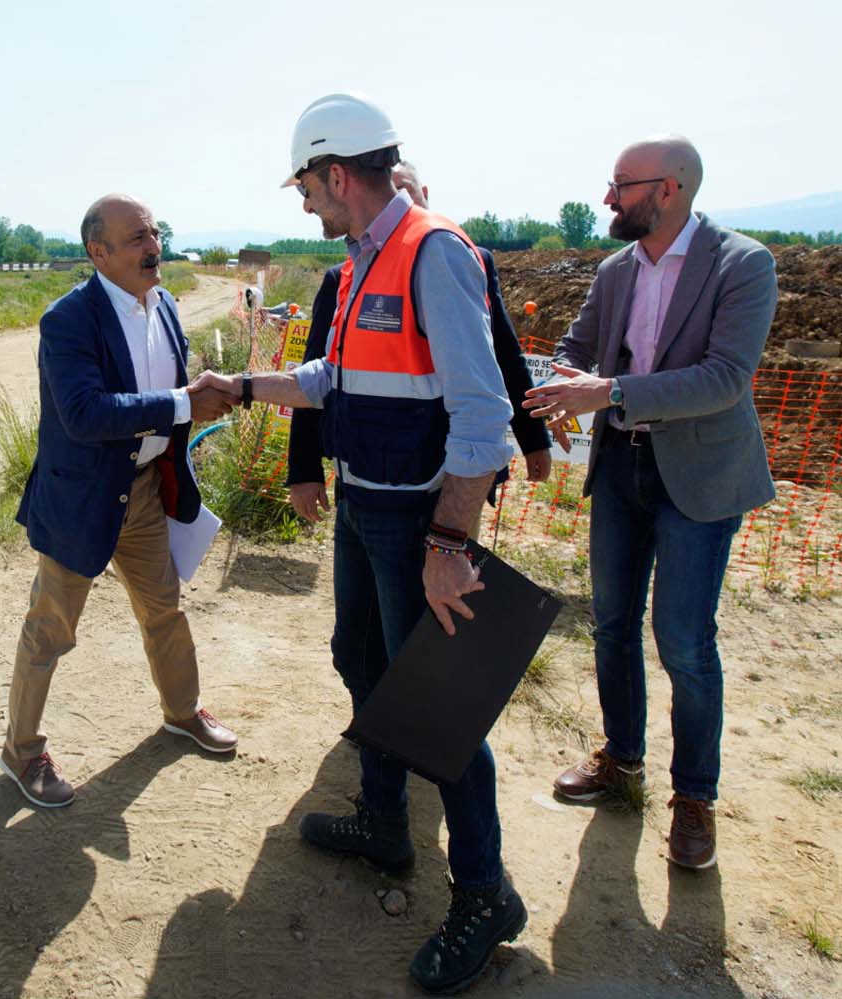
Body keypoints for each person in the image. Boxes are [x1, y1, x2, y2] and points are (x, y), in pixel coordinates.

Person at [195, 93, 523, 994]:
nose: (302, 201)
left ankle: (486, 893)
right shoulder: (364, 260)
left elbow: (486, 414)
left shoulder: (434, 253)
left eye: (305, 183)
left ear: (337, 173)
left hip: (418, 522)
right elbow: (332, 379)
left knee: (441, 712)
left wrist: (450, 537)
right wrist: (246, 384)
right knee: (362, 661)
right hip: (364, 506)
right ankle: (385, 820)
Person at [524, 135, 777, 870]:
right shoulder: (614, 271)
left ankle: (694, 797)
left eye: (620, 185)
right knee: (611, 624)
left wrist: (607, 392)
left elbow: (723, 378)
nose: (607, 197)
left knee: (685, 643)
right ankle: (622, 760)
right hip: (622, 470)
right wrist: (548, 380)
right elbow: (580, 346)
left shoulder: (743, 264)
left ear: (667, 190)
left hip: (697, 478)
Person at [0, 193, 239, 809]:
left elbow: (166, 398)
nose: (152, 246)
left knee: (165, 610)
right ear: (97, 251)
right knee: (49, 630)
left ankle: (181, 712)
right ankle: (21, 752)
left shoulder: (164, 308)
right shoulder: (68, 320)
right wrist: (185, 402)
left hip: (146, 493)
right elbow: (83, 413)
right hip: (83, 499)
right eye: (136, 238)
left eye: (154, 233)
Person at [287, 160, 552, 531]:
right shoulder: (345, 277)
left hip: (455, 475)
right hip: (378, 468)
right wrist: (303, 467)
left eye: (402, 195)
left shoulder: (466, 259)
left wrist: (533, 436)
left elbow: (503, 355)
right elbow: (320, 374)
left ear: (423, 197)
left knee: (447, 571)